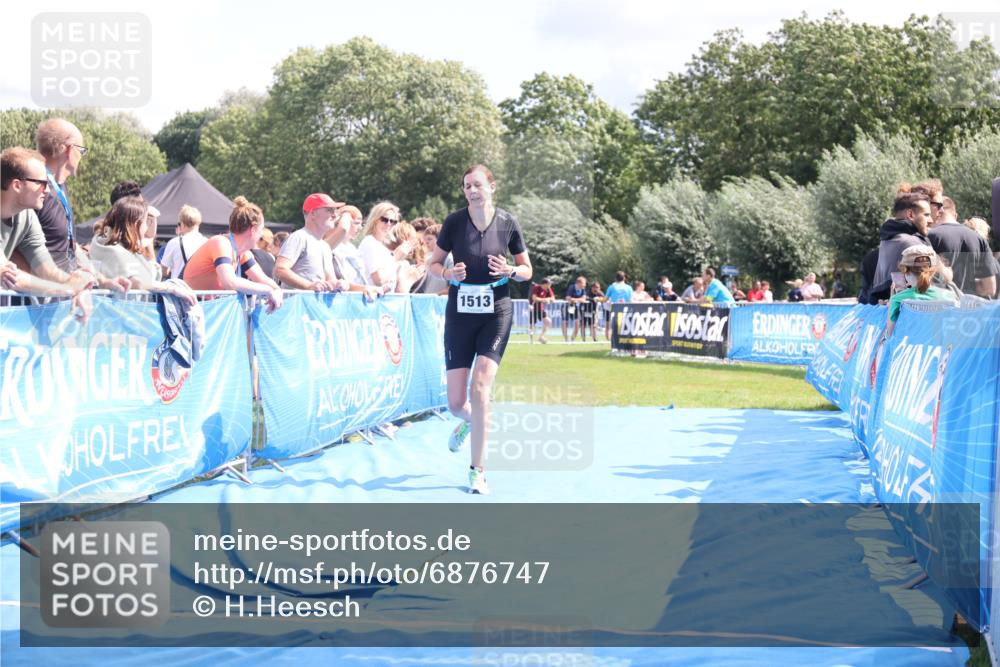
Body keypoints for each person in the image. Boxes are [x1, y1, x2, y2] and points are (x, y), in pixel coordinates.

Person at [427, 165, 532, 495]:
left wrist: (511, 270)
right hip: (460, 313)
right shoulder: (454, 222)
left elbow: (527, 270)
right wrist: (448, 274)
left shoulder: (507, 222)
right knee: (457, 403)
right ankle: (474, 421)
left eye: (477, 185)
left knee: (481, 385)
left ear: (492, 187)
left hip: (496, 312)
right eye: (467, 186)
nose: (472, 190)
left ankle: (478, 471)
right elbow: (432, 265)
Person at [0, 147, 96, 309]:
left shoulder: (27, 216)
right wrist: (69, 289)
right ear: (17, 185)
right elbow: (13, 278)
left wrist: (75, 282)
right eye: (42, 184)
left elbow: (47, 270)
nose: (48, 190)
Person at [182, 196, 283, 312]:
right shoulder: (220, 243)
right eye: (261, 229)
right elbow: (229, 281)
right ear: (253, 230)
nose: (261, 235)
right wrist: (268, 290)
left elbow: (264, 280)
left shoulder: (243, 254)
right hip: (189, 311)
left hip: (206, 309)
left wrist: (277, 291)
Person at [89, 196, 195, 303]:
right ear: (136, 224)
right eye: (146, 222)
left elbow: (148, 237)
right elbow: (138, 282)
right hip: (123, 314)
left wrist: (151, 217)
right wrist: (172, 289)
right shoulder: (116, 251)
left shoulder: (102, 242)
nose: (146, 228)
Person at [34, 118, 86, 271]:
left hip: (63, 289)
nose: (82, 157)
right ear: (70, 150)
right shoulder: (35, 187)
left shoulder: (59, 186)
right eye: (82, 150)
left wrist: (96, 275)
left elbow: (67, 244)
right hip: (41, 291)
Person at [275, 193, 349, 292]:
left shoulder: (324, 246)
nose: (335, 215)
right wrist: (309, 286)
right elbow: (280, 270)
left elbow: (330, 280)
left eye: (334, 210)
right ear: (313, 213)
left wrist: (340, 284)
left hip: (312, 306)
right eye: (329, 210)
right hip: (296, 305)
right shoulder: (299, 237)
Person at [871, 187, 933, 302]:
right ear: (910, 214)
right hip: (914, 309)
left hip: (893, 309)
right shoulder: (913, 243)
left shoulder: (888, 239)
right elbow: (935, 282)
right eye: (926, 215)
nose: (931, 220)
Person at [929, 197, 997, 298]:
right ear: (955, 215)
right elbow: (989, 289)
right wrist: (968, 288)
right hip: (971, 310)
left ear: (938, 212)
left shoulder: (929, 236)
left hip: (940, 308)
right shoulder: (979, 239)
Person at [885, 245, 958, 337]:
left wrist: (892, 299)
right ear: (933, 272)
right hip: (940, 348)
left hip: (909, 348)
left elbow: (890, 333)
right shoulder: (950, 296)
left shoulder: (898, 299)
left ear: (905, 271)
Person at [359, 202, 417, 292]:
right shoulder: (370, 242)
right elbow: (379, 280)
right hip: (373, 301)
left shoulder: (381, 246)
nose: (389, 224)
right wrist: (397, 258)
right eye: (385, 219)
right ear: (375, 219)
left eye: (393, 221)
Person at [160, 205, 208, 279]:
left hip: (179, 287)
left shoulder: (174, 242)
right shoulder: (207, 243)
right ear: (199, 223)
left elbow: (164, 270)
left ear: (182, 224)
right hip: (200, 288)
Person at [417, 222, 451, 295]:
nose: (426, 242)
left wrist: (435, 295)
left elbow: (454, 287)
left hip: (441, 303)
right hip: (425, 302)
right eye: (425, 240)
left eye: (429, 239)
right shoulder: (425, 259)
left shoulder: (450, 259)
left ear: (440, 239)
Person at [604, 271, 633, 340]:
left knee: (615, 327)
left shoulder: (611, 287)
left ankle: (615, 343)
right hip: (626, 310)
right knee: (624, 327)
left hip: (615, 310)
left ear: (615, 278)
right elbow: (630, 300)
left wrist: (597, 299)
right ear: (624, 278)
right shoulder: (629, 288)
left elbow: (605, 299)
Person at [529, 277, 555, 343]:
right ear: (544, 284)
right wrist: (544, 300)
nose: (550, 285)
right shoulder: (536, 287)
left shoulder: (548, 289)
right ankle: (531, 340)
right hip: (533, 308)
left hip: (541, 308)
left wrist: (549, 299)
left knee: (548, 321)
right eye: (549, 284)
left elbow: (553, 298)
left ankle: (541, 337)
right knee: (532, 324)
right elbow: (534, 298)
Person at [563, 276, 588, 341]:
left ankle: (572, 339)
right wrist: (578, 299)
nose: (585, 285)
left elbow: (584, 298)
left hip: (575, 307)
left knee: (577, 323)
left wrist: (575, 300)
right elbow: (568, 298)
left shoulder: (583, 289)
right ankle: (566, 339)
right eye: (584, 283)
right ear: (579, 283)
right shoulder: (572, 287)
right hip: (567, 306)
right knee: (565, 322)